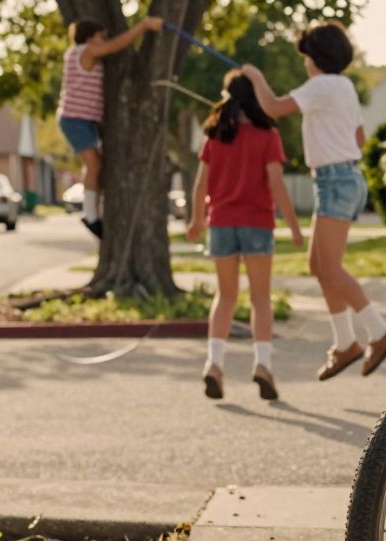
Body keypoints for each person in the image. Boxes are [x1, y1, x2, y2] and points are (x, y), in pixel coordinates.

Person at [240, 21, 386, 380]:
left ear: (315, 58)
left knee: (329, 268)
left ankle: (378, 331)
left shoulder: (321, 85)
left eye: (306, 57)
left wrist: (254, 76)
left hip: (334, 181)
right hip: (343, 178)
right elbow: (359, 138)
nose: (305, 63)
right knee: (319, 266)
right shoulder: (343, 87)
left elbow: (273, 107)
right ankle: (345, 343)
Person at [187, 70, 303, 401]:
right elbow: (277, 183)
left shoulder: (215, 136)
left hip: (221, 223)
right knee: (260, 298)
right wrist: (293, 226)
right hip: (257, 224)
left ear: (228, 97)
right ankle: (263, 366)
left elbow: (200, 184)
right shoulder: (267, 135)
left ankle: (214, 364)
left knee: (225, 296)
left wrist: (197, 220)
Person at [56, 16, 164, 238]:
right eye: (101, 37)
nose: (104, 41)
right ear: (89, 38)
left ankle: (95, 210)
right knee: (94, 165)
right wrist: (143, 26)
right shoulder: (84, 52)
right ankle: (90, 216)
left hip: (83, 120)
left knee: (98, 165)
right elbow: (116, 45)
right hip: (75, 119)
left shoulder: (80, 54)